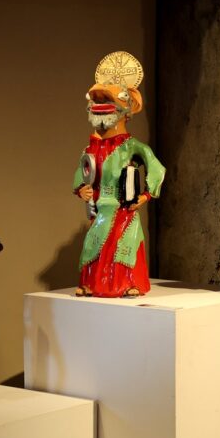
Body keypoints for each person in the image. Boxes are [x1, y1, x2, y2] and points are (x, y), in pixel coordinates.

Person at [72, 51, 165, 298]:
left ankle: (129, 283)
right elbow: (81, 173)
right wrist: (82, 189)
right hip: (100, 210)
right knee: (93, 245)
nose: (100, 105)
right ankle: (91, 283)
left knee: (126, 245)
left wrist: (144, 196)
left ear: (128, 108)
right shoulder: (90, 148)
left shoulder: (133, 147)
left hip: (124, 209)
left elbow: (156, 168)